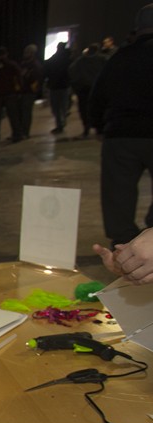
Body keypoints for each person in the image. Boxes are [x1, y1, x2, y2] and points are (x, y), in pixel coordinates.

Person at [88, 3, 153, 247]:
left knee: (118, 191)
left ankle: (123, 238)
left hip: (122, 134)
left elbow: (98, 96)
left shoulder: (119, 58)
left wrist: (96, 126)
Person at [69, 44, 107, 138]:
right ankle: (99, 129)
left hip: (83, 89)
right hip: (98, 88)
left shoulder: (80, 61)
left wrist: (76, 83)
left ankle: (86, 128)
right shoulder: (103, 59)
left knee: (84, 109)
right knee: (98, 108)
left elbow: (71, 71)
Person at [45, 41, 72, 134]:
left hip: (54, 86)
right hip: (64, 85)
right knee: (63, 106)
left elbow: (47, 70)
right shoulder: (68, 59)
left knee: (56, 107)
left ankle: (59, 123)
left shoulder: (53, 60)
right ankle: (62, 122)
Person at [18, 45, 44, 139]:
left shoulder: (35, 65)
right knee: (20, 113)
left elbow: (37, 79)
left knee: (26, 113)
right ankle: (20, 131)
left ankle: (25, 132)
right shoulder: (23, 64)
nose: (26, 54)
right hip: (21, 91)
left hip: (29, 92)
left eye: (28, 52)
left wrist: (34, 89)